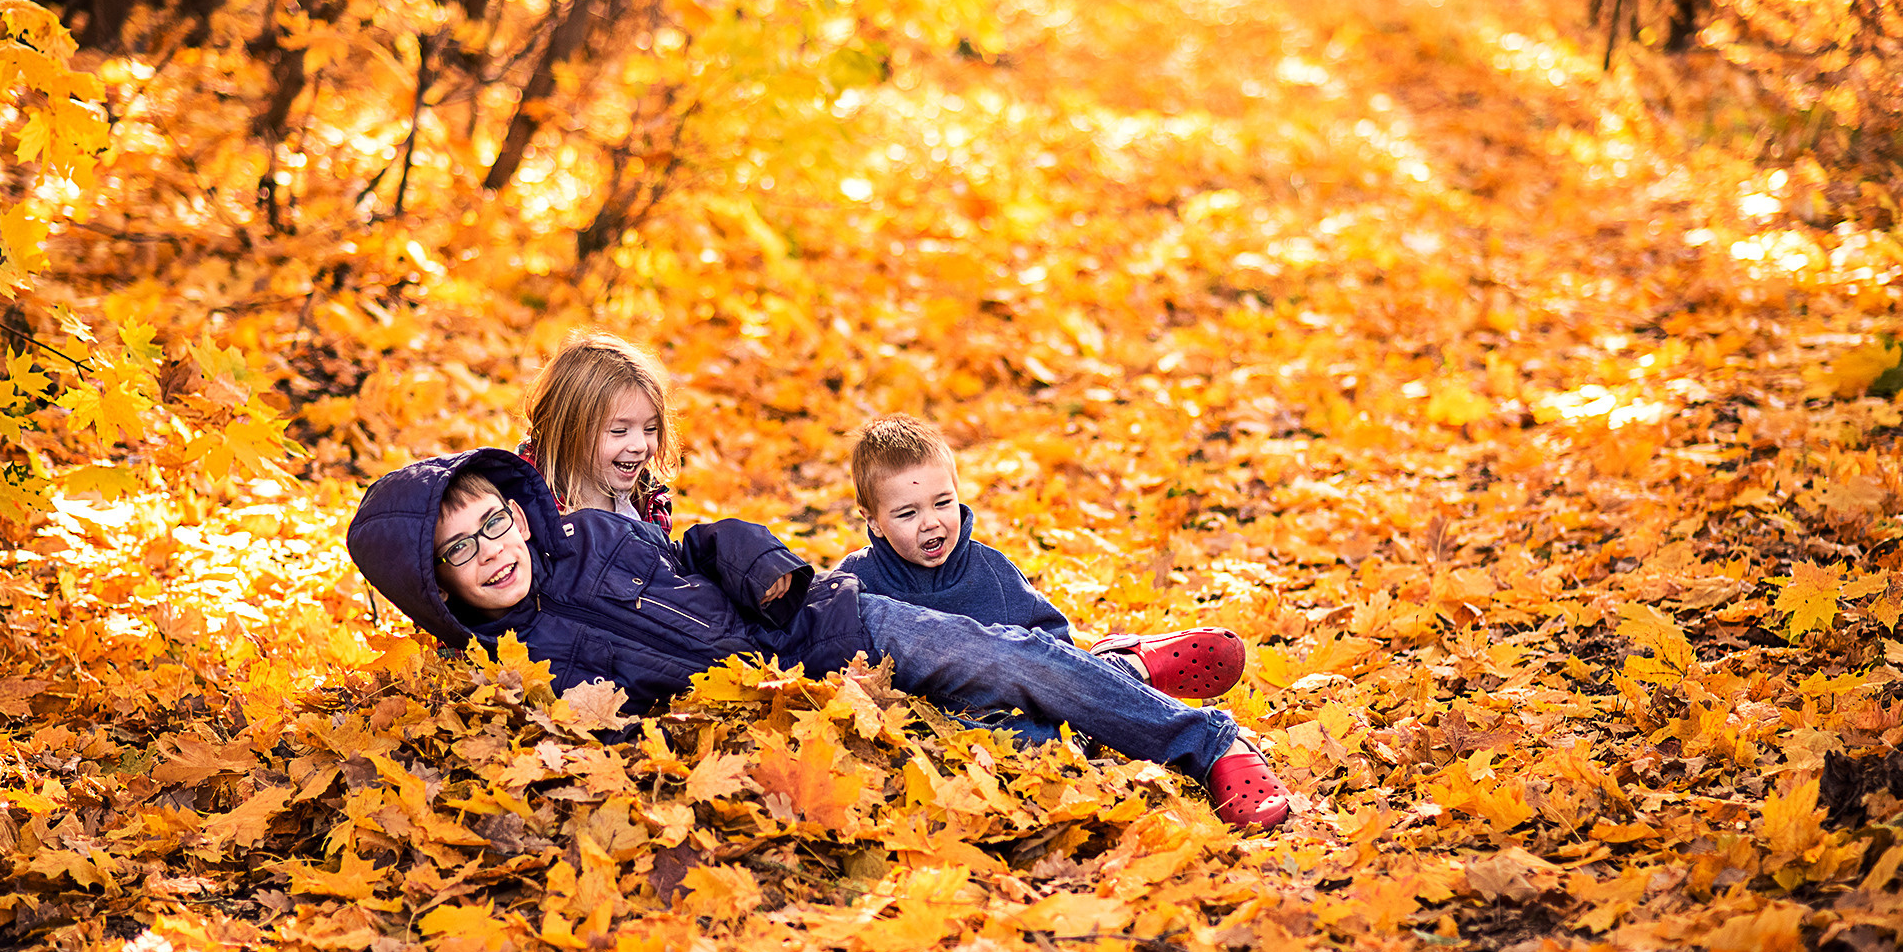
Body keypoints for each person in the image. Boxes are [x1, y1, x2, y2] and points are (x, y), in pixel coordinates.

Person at [345, 449, 1297, 829]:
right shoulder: (510, 667)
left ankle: (1205, 741)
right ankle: (1112, 674)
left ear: (521, 511)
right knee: (1008, 738)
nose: (492, 551)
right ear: (435, 588)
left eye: (495, 524)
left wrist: (766, 563)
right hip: (806, 713)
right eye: (460, 550)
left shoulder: (592, 535)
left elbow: (701, 542)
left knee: (995, 658)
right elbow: (600, 732)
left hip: (823, 622)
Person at [838, 414, 1245, 699]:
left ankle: (1120, 671)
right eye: (908, 514)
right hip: (933, 724)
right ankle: (1125, 668)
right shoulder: (857, 581)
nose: (931, 523)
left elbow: (1052, 642)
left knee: (1051, 725)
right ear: (873, 521)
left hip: (1016, 702)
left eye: (943, 503)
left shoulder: (990, 572)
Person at [517, 331, 676, 532]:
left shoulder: (645, 505)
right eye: (619, 431)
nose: (641, 445)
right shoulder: (530, 509)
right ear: (570, 429)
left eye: (650, 429)